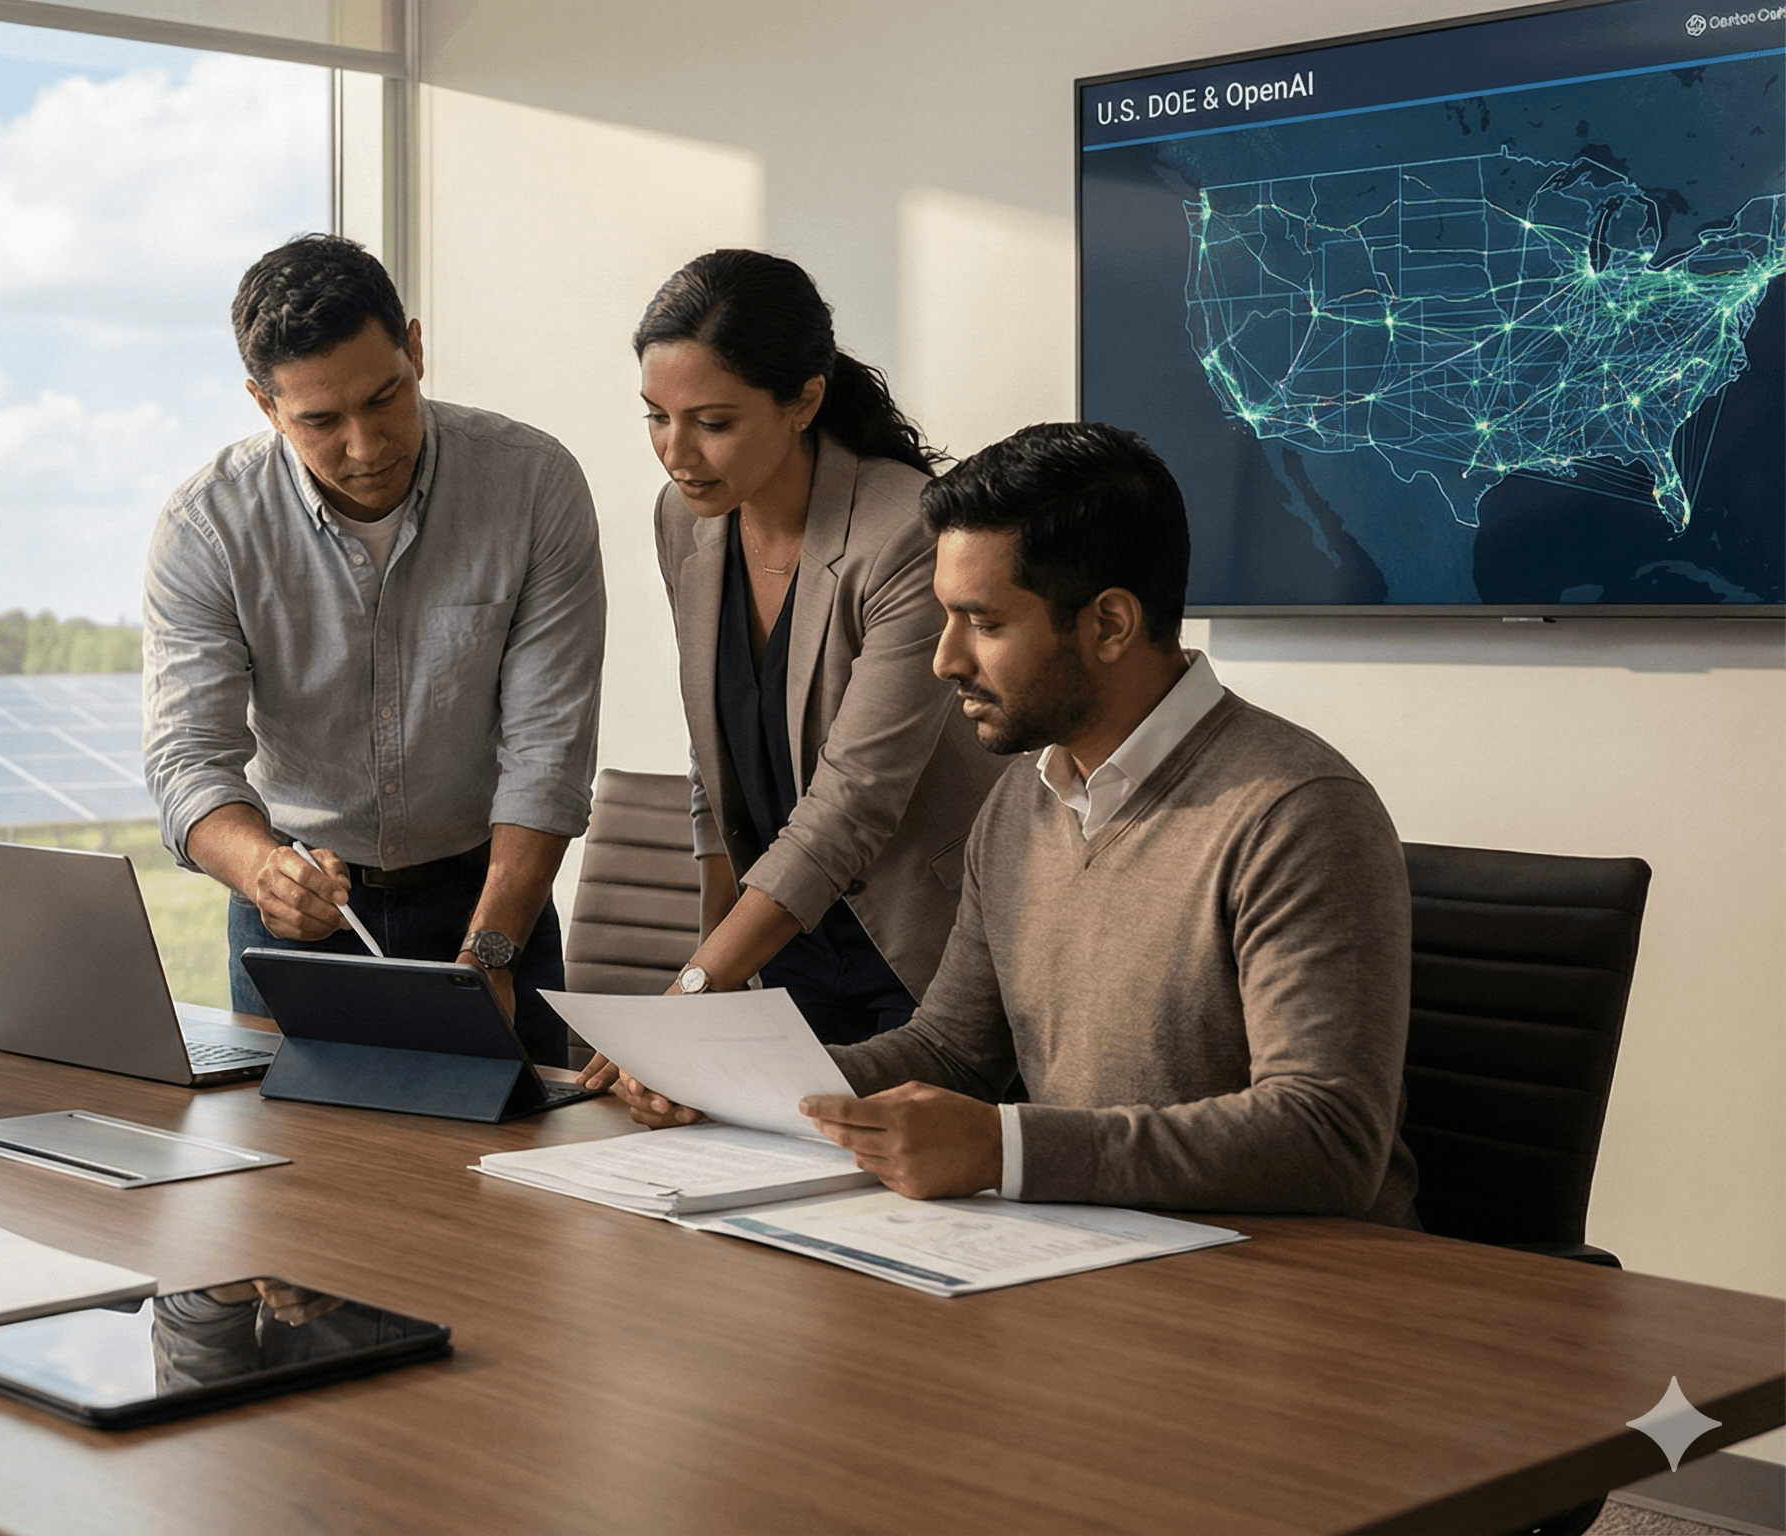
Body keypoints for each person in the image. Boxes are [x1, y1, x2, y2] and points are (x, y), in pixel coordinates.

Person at [612, 422, 1419, 1224]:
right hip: (1099, 1258)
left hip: (1294, 1293)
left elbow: (1328, 1139)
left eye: (985, 624)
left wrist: (1007, 1150)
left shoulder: (1298, 814)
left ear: (1109, 624)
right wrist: (730, 1084)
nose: (946, 659)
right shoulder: (1020, 803)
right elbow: (950, 1053)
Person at [143, 234, 606, 1065]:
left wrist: (492, 949)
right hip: (294, 912)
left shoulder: (532, 485)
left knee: (525, 1178)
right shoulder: (207, 528)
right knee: (305, 1184)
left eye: (385, 397)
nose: (366, 446)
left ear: (416, 350)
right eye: (320, 421)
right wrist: (261, 872)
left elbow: (548, 751)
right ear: (264, 403)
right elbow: (187, 760)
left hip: (493, 899)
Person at [607, 250, 1007, 1051]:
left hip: (928, 950)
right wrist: (719, 979)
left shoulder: (905, 530)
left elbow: (854, 797)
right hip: (783, 949)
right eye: (657, 416)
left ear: (804, 402)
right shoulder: (685, 518)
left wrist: (697, 985)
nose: (677, 454)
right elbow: (714, 754)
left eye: (713, 423)